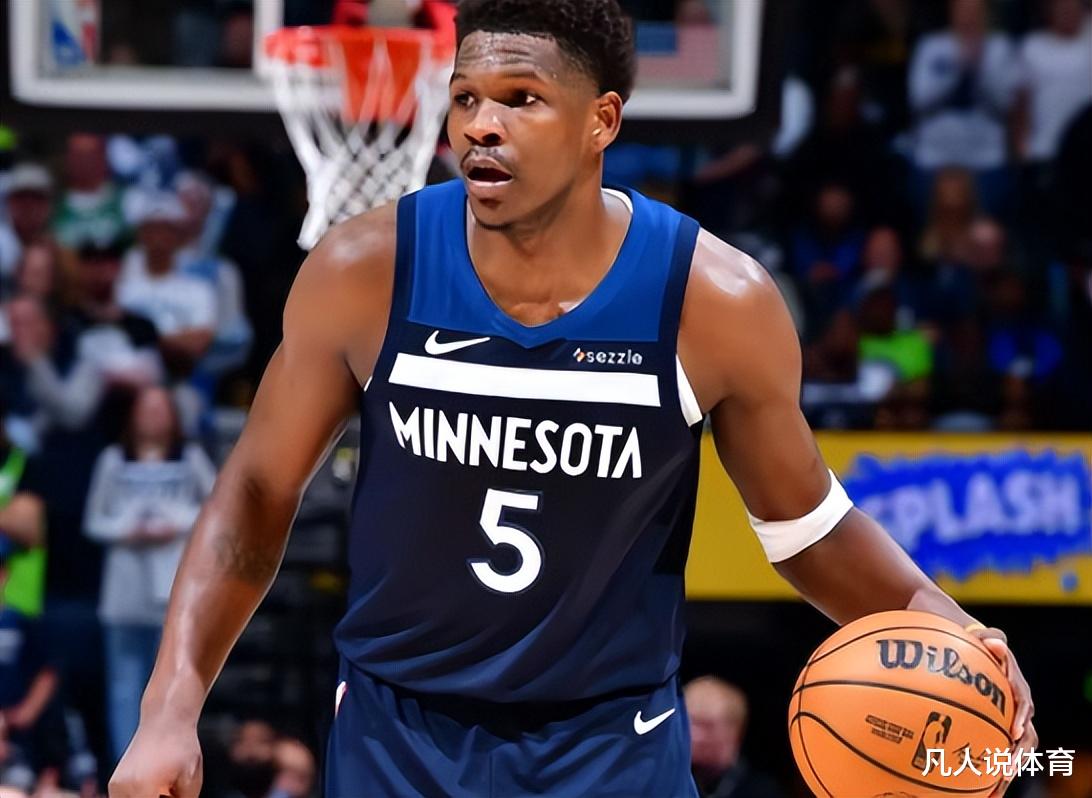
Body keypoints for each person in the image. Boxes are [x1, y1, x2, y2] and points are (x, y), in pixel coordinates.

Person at [110, 2, 1039, 796]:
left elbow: (805, 528)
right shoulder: (364, 270)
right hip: (397, 739)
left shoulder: (712, 301)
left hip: (612, 746)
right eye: (466, 97)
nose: (481, 124)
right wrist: (168, 711)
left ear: (602, 121)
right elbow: (257, 493)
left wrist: (946, 623)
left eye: (521, 99)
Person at [83, 386, 215, 764]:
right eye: (146, 408)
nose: (154, 416)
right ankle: (124, 766)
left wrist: (175, 522)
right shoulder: (113, 460)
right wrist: (129, 528)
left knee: (172, 685)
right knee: (124, 685)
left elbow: (217, 507)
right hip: (124, 589)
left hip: (173, 590)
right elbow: (94, 521)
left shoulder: (189, 458)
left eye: (161, 409)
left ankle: (163, 765)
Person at [684, 676, 783, 798]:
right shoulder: (667, 782)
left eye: (708, 726)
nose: (696, 736)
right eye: (691, 723)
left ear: (735, 731)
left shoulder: (763, 792)